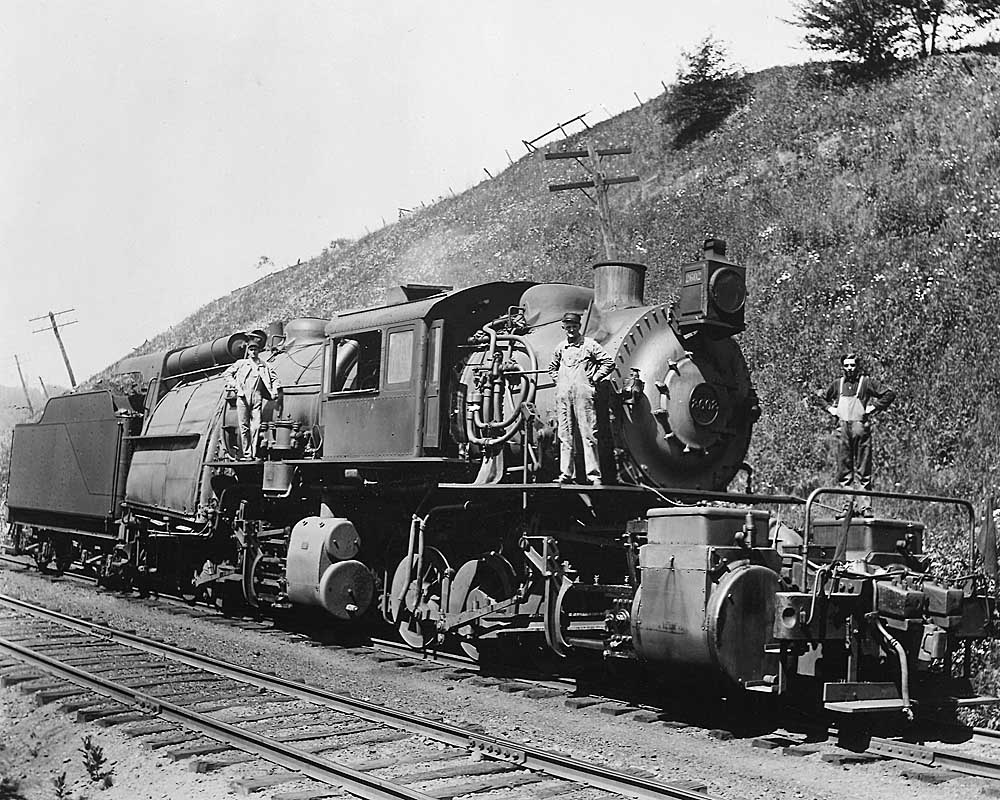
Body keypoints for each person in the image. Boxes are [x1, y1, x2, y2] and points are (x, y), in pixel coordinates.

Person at [821, 353, 895, 516]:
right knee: (844, 471)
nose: (849, 368)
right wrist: (830, 409)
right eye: (846, 365)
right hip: (843, 431)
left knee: (863, 470)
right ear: (843, 367)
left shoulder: (866, 382)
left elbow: (889, 394)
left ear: (857, 366)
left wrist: (874, 407)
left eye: (852, 365)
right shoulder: (838, 384)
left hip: (860, 429)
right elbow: (821, 398)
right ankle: (847, 507)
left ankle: (865, 507)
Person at [549, 312, 615, 485]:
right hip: (563, 396)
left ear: (579, 326)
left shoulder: (589, 345)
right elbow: (552, 368)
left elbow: (608, 362)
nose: (571, 330)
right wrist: (560, 382)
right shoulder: (561, 348)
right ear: (564, 328)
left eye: (574, 326)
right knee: (565, 436)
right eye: (568, 327)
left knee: (589, 434)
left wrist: (594, 379)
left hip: (583, 395)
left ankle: (593, 475)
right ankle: (566, 474)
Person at [224, 333, 283, 459]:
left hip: (257, 397)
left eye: (255, 349)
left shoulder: (265, 365)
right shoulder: (241, 363)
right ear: (248, 351)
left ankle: (254, 452)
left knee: (256, 426)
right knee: (244, 426)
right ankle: (247, 453)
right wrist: (236, 386)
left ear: (258, 351)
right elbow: (227, 374)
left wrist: (274, 390)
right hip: (243, 397)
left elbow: (275, 379)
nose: (253, 352)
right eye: (251, 349)